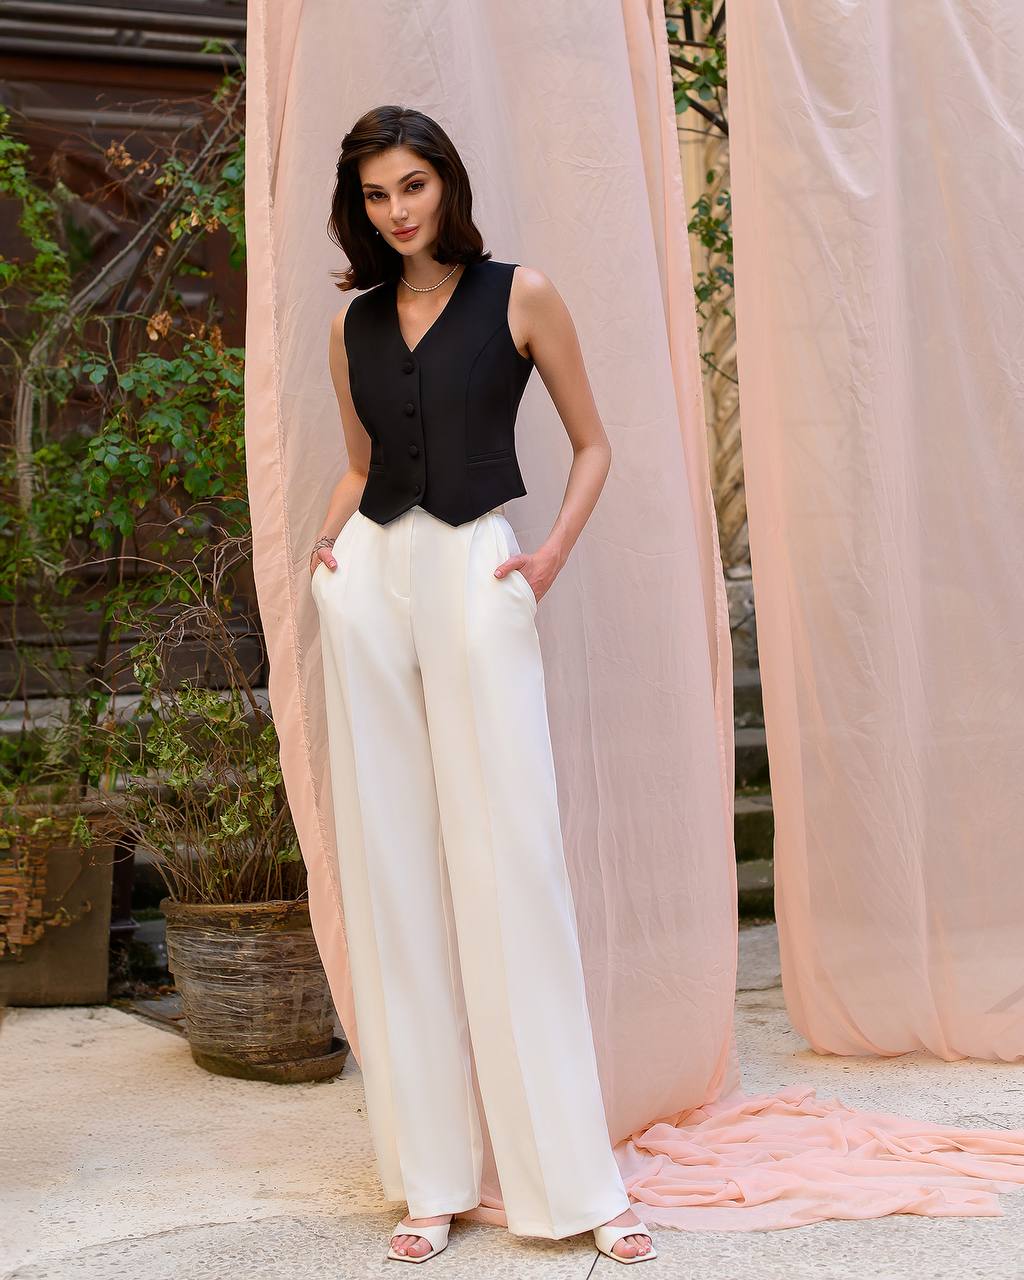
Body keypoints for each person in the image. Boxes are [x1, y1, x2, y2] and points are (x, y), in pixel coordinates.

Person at [310, 104, 656, 1267]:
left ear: (445, 184)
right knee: (393, 869)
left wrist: (548, 552)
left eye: (411, 186)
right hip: (370, 575)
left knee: (510, 860)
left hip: (475, 564)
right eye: (374, 195)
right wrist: (325, 552)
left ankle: (577, 1179)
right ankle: (431, 1175)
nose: (396, 211)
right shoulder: (350, 323)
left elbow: (596, 440)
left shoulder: (522, 293)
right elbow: (359, 464)